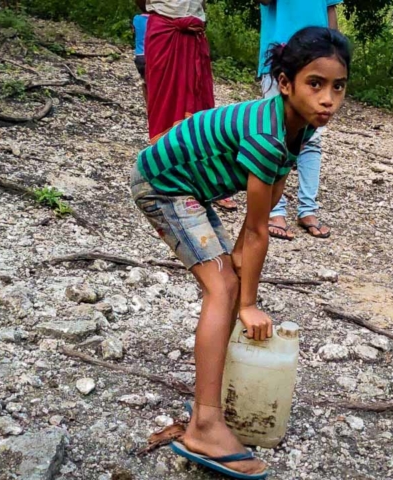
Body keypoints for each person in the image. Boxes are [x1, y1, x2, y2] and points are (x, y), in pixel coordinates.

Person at [131, 27, 351, 479]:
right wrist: (247, 302)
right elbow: (255, 229)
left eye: (338, 87)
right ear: (286, 84)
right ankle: (205, 424)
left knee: (229, 278)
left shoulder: (297, 130)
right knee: (225, 287)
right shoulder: (269, 136)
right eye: (316, 84)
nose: (328, 99)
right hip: (163, 185)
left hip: (189, 189)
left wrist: (244, 287)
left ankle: (216, 395)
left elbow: (265, 213)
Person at [135, 0, 238, 212]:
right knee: (165, 102)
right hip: (164, 30)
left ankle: (206, 181)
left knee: (201, 105)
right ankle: (165, 173)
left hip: (195, 35)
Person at [259, 0, 342, 240]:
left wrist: (336, 60)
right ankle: (274, 211)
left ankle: (308, 209)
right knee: (275, 135)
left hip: (320, 60)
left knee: (313, 137)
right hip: (280, 55)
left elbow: (330, 10)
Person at [132, 10, 149, 105]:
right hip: (151, 56)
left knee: (145, 82)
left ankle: (148, 105)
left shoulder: (136, 18)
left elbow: (134, 32)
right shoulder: (156, 20)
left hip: (139, 56)